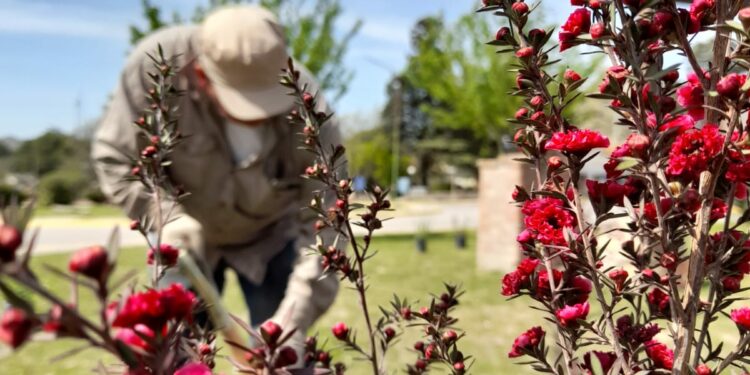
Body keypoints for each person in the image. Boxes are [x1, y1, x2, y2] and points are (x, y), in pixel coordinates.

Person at [91, 4, 341, 350]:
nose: (259, 115)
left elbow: (328, 217)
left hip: (272, 238)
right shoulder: (153, 71)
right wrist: (163, 214)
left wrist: (292, 320)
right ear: (202, 75)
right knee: (174, 357)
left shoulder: (308, 103)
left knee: (282, 354)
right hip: (186, 240)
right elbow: (115, 158)